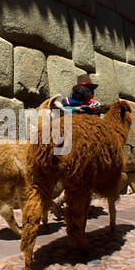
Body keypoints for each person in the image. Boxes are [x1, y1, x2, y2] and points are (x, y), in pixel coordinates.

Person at [51, 74, 101, 220]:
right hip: (77, 146)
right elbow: (58, 114)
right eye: (91, 90)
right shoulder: (68, 104)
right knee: (82, 177)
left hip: (74, 144)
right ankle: (63, 201)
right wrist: (80, 110)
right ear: (86, 92)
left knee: (77, 177)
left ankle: (66, 202)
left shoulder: (93, 106)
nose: (93, 94)